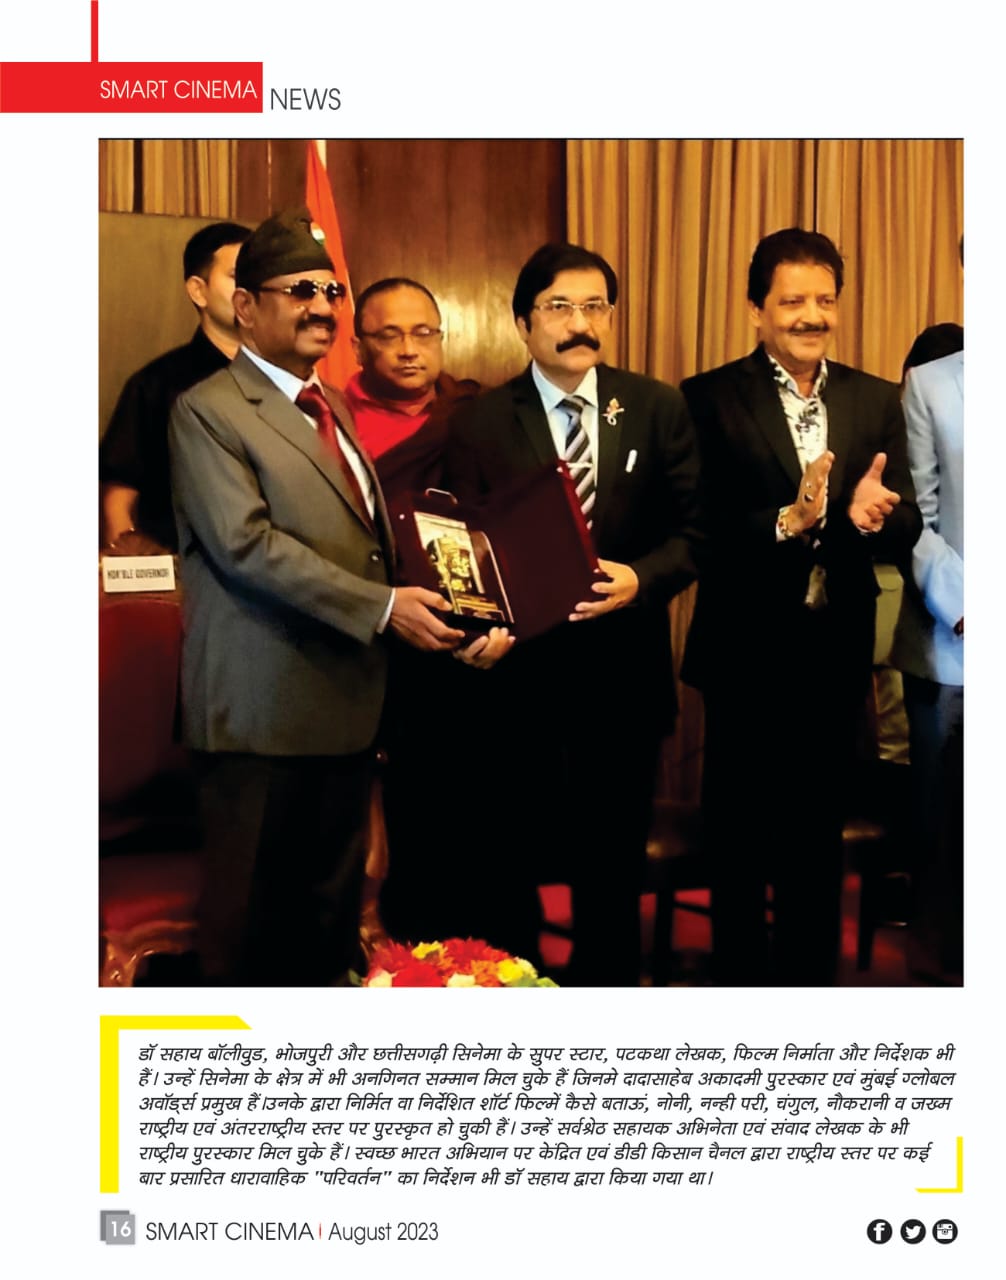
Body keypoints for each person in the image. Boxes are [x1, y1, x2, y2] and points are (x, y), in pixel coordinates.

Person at [168, 207, 465, 985]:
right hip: (260, 717)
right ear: (245, 306)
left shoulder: (330, 405)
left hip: (344, 712)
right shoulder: (208, 410)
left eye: (330, 291)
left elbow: (367, 542)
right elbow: (246, 546)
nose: (322, 307)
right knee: (251, 941)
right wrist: (383, 607)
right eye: (298, 290)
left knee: (325, 936)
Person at [444, 242, 703, 985]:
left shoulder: (655, 407)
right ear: (524, 323)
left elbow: (696, 534)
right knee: (509, 867)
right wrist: (478, 629)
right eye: (559, 307)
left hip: (624, 679)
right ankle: (518, 1010)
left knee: (611, 873)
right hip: (518, 682)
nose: (579, 323)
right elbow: (462, 548)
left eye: (594, 307)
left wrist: (641, 578)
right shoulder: (480, 423)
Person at [680, 227, 922, 986]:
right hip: (744, 648)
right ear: (757, 308)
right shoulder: (707, 397)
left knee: (816, 836)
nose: (811, 315)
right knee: (739, 835)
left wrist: (872, 518)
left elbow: (910, 519)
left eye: (824, 300)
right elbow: (698, 528)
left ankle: (808, 990)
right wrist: (789, 520)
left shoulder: (875, 399)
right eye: (792, 301)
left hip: (834, 650)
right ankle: (738, 986)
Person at [339, 276, 514, 952]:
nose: (409, 349)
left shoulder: (477, 413)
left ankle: (486, 963)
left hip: (472, 645)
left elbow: (507, 525)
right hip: (372, 641)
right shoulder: (330, 419)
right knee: (397, 818)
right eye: (389, 336)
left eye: (423, 334)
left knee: (478, 818)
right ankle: (402, 960)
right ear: (360, 346)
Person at [100, 220, 251, 550]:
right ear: (198, 290)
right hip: (182, 565)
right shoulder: (156, 384)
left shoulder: (285, 379)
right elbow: (118, 495)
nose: (250, 289)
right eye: (237, 275)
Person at [891, 344, 964, 982]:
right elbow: (916, 513)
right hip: (956, 641)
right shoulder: (932, 383)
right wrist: (965, 607)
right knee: (947, 827)